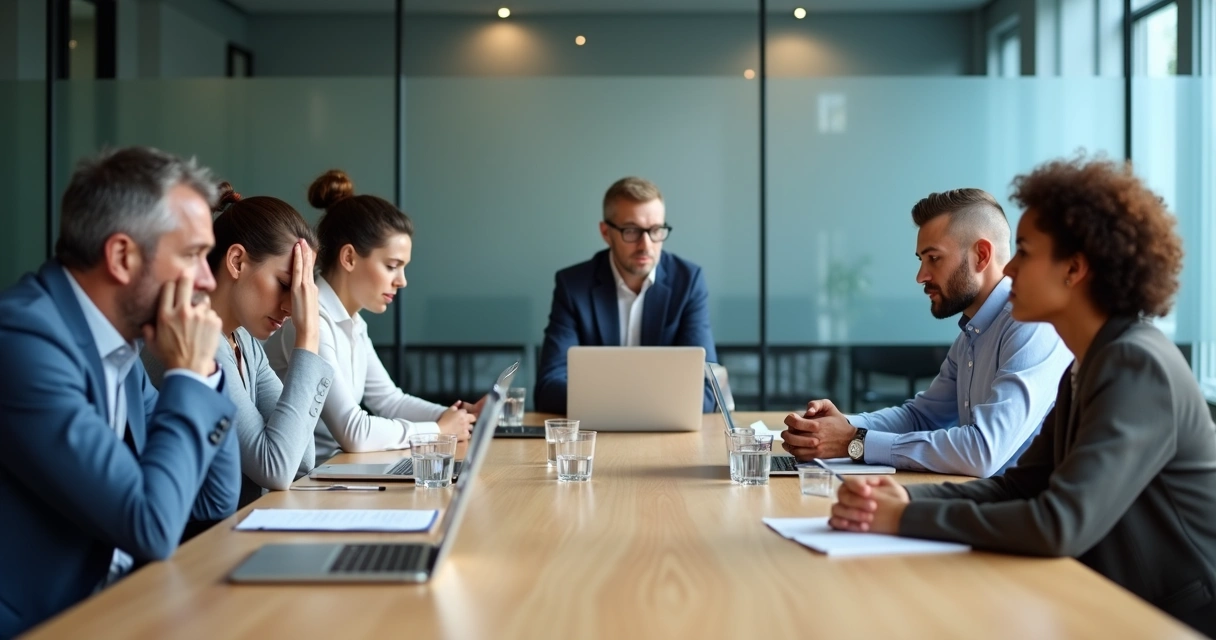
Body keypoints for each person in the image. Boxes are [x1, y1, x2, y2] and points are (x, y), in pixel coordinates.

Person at [829, 157, 1216, 636]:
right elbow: (1018, 486)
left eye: (1026, 252)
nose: (1008, 267)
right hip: (1107, 603)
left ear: (1074, 268)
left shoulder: (1136, 364)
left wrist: (906, 517)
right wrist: (899, 498)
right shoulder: (1086, 364)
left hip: (1168, 621)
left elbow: (1059, 524)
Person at [0, 147, 240, 637]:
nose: (207, 280)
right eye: (192, 255)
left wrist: (204, 369)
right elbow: (150, 525)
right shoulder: (25, 341)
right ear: (122, 256)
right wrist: (189, 375)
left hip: (120, 606)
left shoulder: (119, 346)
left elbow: (214, 500)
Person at [781, 189, 1071, 477]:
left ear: (981, 255)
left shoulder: (1032, 326)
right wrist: (838, 427)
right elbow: (922, 416)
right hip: (975, 497)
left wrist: (854, 442)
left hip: (1014, 504)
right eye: (921, 259)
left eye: (934, 258)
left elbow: (983, 451)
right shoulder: (971, 335)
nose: (921, 276)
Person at [266, 170, 476, 465]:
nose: (402, 281)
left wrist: (457, 416)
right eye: (392, 266)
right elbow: (354, 432)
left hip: (335, 472)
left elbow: (390, 400)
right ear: (349, 258)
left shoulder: (354, 323)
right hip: (304, 480)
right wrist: (438, 430)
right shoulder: (310, 321)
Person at [142, 183, 333, 506]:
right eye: (285, 284)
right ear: (236, 261)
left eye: (300, 291)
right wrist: (308, 336)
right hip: (194, 533)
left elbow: (301, 459)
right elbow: (276, 467)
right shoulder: (193, 339)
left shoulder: (243, 341)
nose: (292, 307)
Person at [535, 176, 718, 414]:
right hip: (598, 431)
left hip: (665, 431)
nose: (646, 245)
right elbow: (549, 386)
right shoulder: (573, 286)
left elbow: (708, 387)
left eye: (656, 230)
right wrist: (641, 404)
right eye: (631, 231)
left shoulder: (688, 282)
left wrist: (615, 402)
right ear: (606, 232)